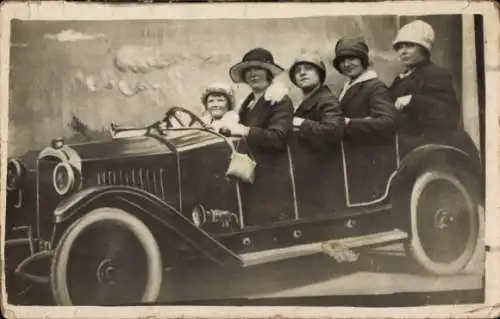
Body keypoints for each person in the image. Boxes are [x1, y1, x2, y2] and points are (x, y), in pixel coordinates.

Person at [388, 20, 461, 136]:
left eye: (410, 46)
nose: (403, 51)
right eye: (400, 47)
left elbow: (449, 114)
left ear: (424, 49)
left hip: (428, 145)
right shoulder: (401, 79)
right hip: (402, 143)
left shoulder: (436, 74)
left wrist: (413, 101)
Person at [222, 47, 294, 153]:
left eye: (258, 69)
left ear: (268, 73)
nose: (253, 74)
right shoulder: (246, 105)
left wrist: (246, 131)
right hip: (247, 164)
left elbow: (279, 139)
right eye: (248, 70)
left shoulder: (280, 100)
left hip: (270, 166)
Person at [333, 37, 397, 143]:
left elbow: (387, 122)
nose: (347, 64)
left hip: (370, 153)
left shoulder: (375, 87)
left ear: (363, 60)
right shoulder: (346, 88)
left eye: (352, 58)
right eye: (342, 60)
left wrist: (349, 123)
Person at [288, 51, 345, 149]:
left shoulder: (327, 100)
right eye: (297, 71)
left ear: (319, 74)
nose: (302, 73)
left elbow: (333, 132)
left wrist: (301, 123)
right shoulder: (304, 101)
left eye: (308, 68)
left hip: (324, 162)